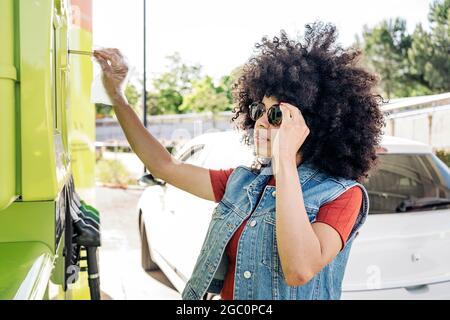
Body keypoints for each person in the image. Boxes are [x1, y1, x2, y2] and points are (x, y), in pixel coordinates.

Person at [93, 21, 385, 300]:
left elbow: (300, 270)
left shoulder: (343, 195)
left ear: (314, 124)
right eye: (259, 109)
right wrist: (118, 97)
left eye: (276, 115)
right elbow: (165, 166)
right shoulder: (243, 182)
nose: (260, 122)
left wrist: (284, 157)